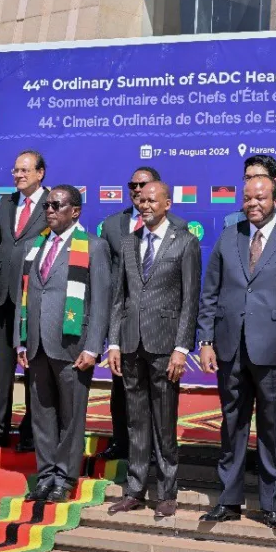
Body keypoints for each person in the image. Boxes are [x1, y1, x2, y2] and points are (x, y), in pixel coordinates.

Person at [196, 176, 276, 530]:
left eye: (261, 198)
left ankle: (271, 504)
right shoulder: (229, 236)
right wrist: (205, 341)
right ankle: (228, 500)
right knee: (232, 425)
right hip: (230, 349)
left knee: (274, 427)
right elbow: (210, 292)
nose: (253, 204)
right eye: (248, 198)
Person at [106, 181, 200, 519]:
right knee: (135, 420)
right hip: (131, 343)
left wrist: (182, 347)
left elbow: (190, 299)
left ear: (167, 204)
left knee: (164, 420)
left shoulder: (185, 242)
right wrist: (113, 342)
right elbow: (119, 298)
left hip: (165, 345)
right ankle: (134, 489)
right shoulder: (129, 242)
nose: (145, 205)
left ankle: (166, 491)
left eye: (152, 200)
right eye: (141, 200)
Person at [16, 185, 110, 503]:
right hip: (37, 345)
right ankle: (45, 476)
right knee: (42, 415)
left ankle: (65, 478)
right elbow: (24, 295)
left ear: (75, 211)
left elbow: (101, 301)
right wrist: (20, 342)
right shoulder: (34, 245)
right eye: (47, 205)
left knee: (71, 417)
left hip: (73, 346)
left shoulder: (93, 246)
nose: (50, 210)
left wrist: (93, 346)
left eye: (57, 205)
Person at [97, 167, 185, 460]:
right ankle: (122, 442)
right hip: (125, 322)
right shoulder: (113, 225)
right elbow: (109, 277)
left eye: (143, 185)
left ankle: (158, 455)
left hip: (160, 329)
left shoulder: (179, 228)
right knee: (121, 389)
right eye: (132, 185)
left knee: (160, 398)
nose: (137, 190)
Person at [0, 150, 47, 453]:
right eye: (15, 170)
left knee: (33, 367)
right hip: (3, 295)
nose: (18, 175)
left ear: (40, 173)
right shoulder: (6, 202)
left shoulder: (51, 203)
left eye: (24, 170)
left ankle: (30, 430)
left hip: (33, 297)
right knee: (2, 366)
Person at [223, 155, 276, 229]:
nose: (253, 182)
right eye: (248, 178)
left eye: (259, 177)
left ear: (275, 182)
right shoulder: (231, 222)